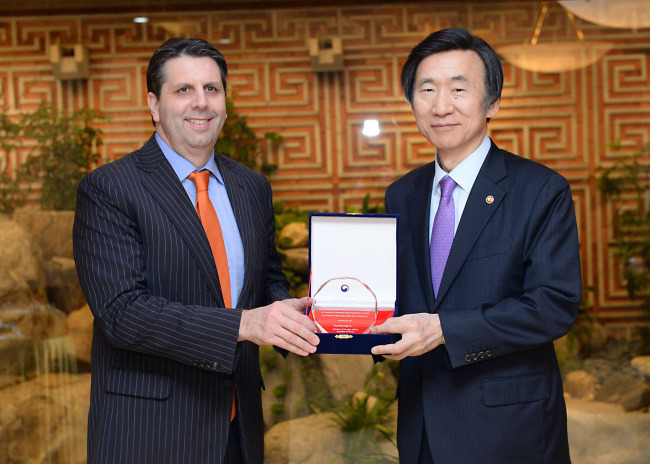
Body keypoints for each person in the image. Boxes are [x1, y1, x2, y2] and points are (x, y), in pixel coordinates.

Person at [73, 37, 319, 464]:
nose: (200, 103)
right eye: (183, 90)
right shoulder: (110, 188)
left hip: (237, 429)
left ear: (225, 100)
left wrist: (299, 315)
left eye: (212, 89)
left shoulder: (251, 187)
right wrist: (245, 324)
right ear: (154, 104)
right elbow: (122, 314)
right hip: (149, 432)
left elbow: (268, 282)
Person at [370, 28, 581, 464]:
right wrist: (340, 316)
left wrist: (444, 329)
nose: (440, 105)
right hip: (422, 423)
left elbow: (553, 305)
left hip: (510, 428)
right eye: (426, 89)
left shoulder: (541, 190)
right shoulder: (401, 194)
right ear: (412, 102)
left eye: (459, 89)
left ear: (493, 103)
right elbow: (397, 299)